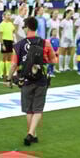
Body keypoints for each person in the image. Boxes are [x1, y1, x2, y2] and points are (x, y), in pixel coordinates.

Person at [10, 16, 55, 146]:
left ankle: (32, 134)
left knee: (29, 110)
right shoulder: (45, 42)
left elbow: (13, 64)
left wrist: (8, 78)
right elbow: (53, 60)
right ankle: (31, 134)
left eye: (23, 26)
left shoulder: (19, 45)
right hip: (41, 79)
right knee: (38, 109)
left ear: (27, 27)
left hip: (25, 79)